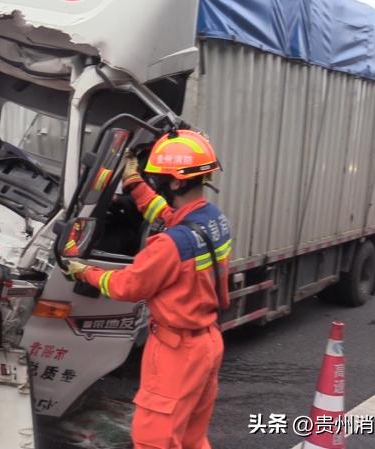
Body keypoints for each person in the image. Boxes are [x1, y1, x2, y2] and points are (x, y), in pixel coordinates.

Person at [64, 129, 231, 449]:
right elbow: (168, 215)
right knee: (192, 437)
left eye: (157, 177)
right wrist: (134, 182)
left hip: (176, 351)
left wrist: (85, 272)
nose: (154, 182)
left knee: (153, 438)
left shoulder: (169, 246)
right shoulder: (213, 220)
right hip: (207, 343)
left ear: (177, 182)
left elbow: (126, 285)